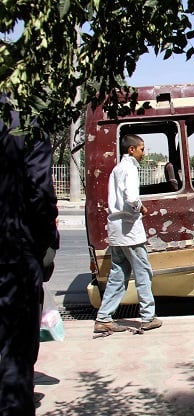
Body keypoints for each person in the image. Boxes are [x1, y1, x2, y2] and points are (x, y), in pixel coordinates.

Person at [0, 95, 59, 416]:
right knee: (14, 364)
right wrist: (45, 248)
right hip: (13, 260)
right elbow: (40, 194)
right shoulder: (22, 121)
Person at [94, 134, 162, 333]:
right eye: (141, 149)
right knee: (143, 271)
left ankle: (104, 317)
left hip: (116, 228)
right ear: (131, 150)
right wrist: (140, 207)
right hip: (129, 229)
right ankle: (148, 316)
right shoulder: (130, 168)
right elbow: (131, 197)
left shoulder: (117, 168)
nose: (143, 153)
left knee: (118, 273)